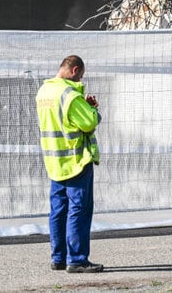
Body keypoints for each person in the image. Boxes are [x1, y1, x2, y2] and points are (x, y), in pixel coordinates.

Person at [36, 54, 104, 273]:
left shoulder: (44, 91)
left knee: (58, 211)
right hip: (75, 160)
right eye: (80, 76)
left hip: (55, 161)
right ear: (75, 71)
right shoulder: (70, 94)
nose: (80, 80)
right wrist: (92, 109)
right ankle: (77, 259)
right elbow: (89, 122)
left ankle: (59, 258)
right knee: (79, 210)